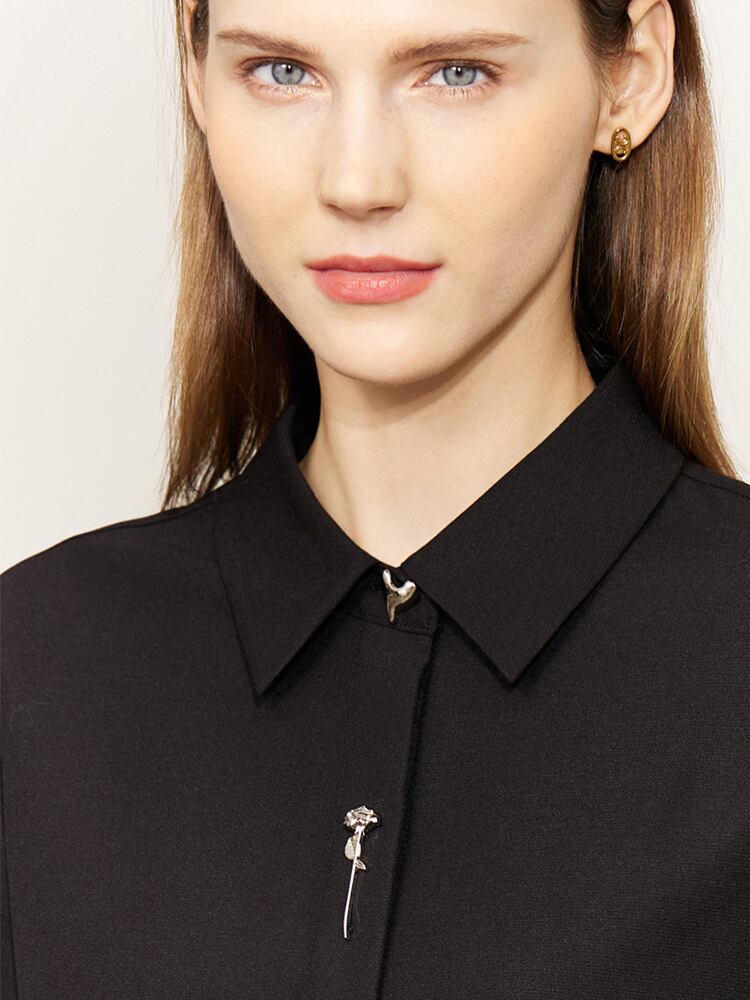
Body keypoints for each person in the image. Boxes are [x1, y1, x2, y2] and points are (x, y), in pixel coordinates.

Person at [2, 0, 748, 996]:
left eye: (456, 73)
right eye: (282, 71)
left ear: (633, 75)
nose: (357, 181)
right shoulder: (35, 671)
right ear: (197, 75)